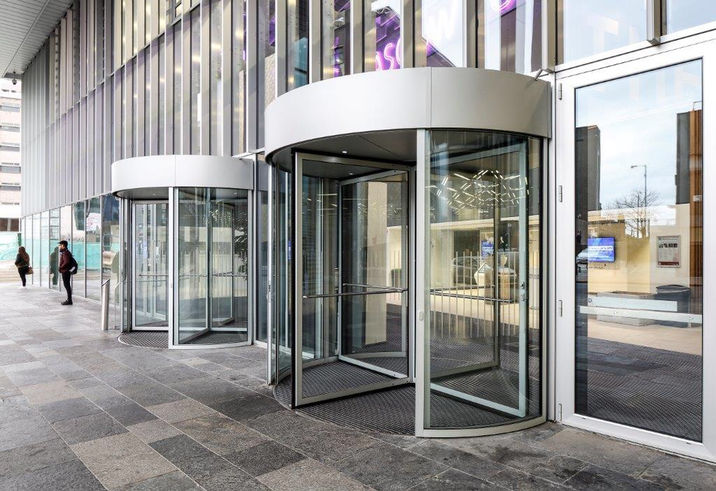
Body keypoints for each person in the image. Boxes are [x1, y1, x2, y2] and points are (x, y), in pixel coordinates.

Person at [58, 240, 76, 305]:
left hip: (65, 272)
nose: (59, 247)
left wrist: (60, 267)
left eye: (60, 245)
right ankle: (69, 299)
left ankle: (69, 300)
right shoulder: (66, 252)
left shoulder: (65, 253)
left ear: (63, 245)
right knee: (67, 285)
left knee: (67, 285)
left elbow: (66, 262)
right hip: (66, 271)